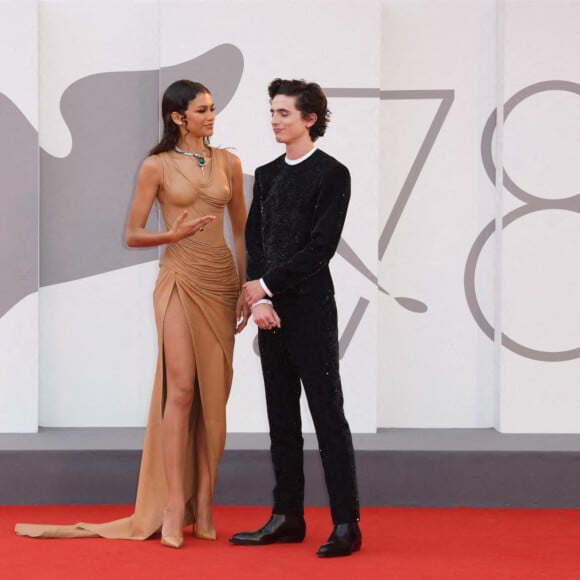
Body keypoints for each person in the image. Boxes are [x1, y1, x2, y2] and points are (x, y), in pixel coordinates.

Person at [15, 80, 249, 548]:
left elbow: (241, 231)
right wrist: (172, 236)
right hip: (179, 280)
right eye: (202, 110)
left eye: (213, 108)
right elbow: (133, 233)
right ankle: (169, 506)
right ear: (177, 117)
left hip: (222, 283)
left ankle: (204, 504)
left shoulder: (229, 162)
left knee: (215, 397)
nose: (211, 116)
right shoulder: (155, 166)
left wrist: (247, 288)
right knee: (181, 388)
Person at [229, 78, 361, 558]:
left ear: (310, 119)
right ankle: (287, 516)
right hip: (269, 312)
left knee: (328, 415)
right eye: (272, 112)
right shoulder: (266, 175)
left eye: (284, 113)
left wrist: (266, 287)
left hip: (311, 311)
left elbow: (320, 249)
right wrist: (259, 300)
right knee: (280, 416)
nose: (274, 120)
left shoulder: (332, 174)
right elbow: (255, 241)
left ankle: (347, 523)